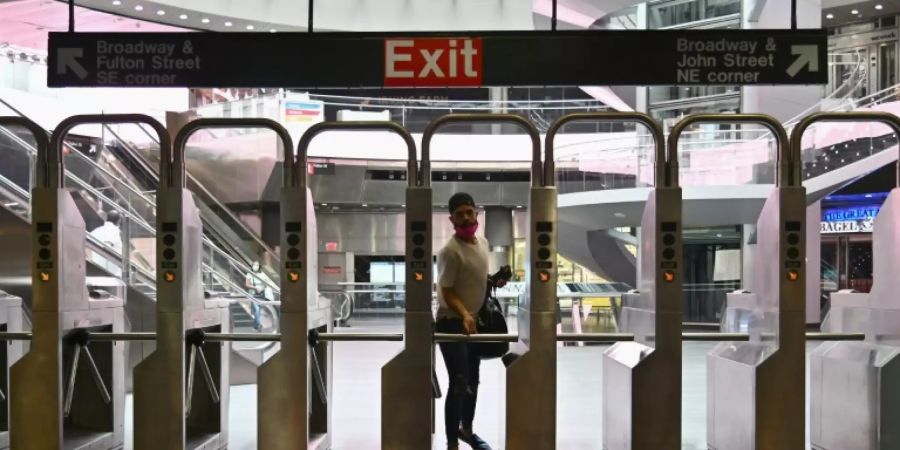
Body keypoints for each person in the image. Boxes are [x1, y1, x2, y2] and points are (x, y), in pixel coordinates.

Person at [436, 192, 492, 450]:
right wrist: (465, 314)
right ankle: (451, 441)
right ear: (452, 219)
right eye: (460, 214)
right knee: (459, 382)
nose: (467, 217)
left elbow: (475, 279)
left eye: (470, 212)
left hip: (473, 322)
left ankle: (466, 430)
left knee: (472, 381)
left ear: (476, 212)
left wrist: (493, 281)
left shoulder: (483, 243)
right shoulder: (449, 251)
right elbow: (447, 291)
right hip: (451, 322)